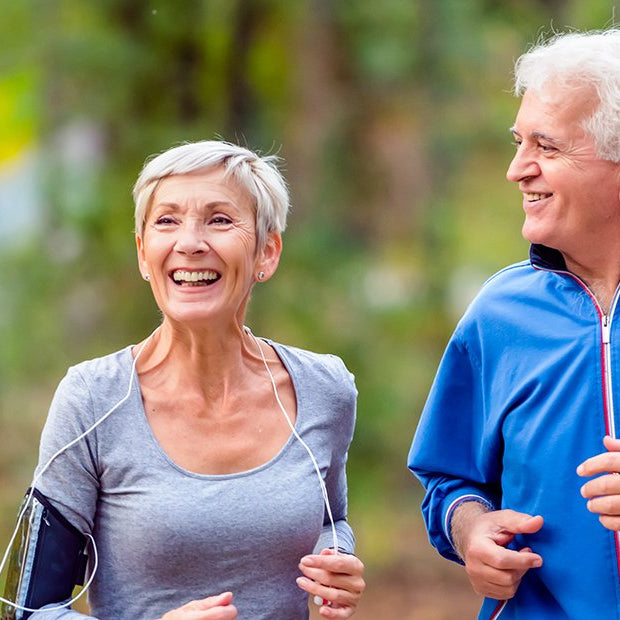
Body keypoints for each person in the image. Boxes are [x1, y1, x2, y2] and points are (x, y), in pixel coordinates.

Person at [0, 140, 365, 620]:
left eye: (219, 219)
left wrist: (337, 558)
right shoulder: (92, 400)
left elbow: (330, 517)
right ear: (143, 254)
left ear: (267, 252)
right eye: (167, 221)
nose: (189, 242)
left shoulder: (325, 388)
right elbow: (21, 610)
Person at [408, 28, 620, 619]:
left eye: (547, 148)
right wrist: (471, 532)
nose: (516, 170)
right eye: (518, 142)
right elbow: (448, 483)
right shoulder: (499, 314)